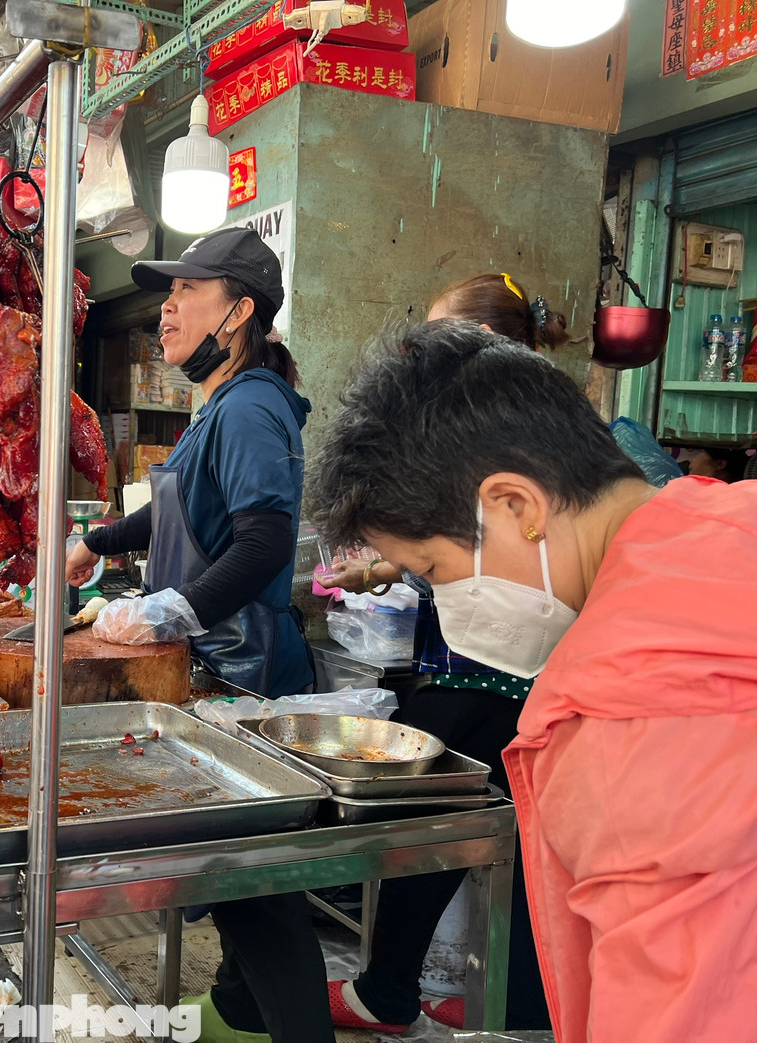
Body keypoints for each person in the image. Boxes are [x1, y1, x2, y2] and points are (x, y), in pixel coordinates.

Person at [306, 319, 757, 1043]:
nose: (444, 604)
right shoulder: (727, 518)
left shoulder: (623, 707)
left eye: (432, 571)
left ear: (515, 505)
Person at [64, 227, 329, 1043]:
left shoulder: (249, 405)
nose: (166, 307)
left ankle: (293, 1030)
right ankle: (241, 1015)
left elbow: (264, 543)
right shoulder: (222, 400)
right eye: (166, 292)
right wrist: (102, 540)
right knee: (249, 875)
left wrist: (168, 611)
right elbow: (179, 509)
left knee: (259, 888)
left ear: (239, 310)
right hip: (215, 668)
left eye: (187, 291)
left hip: (246, 675)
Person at [319, 273, 561, 1033]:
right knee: (514, 845)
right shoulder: (503, 429)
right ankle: (515, 999)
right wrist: (387, 565)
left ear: (486, 347)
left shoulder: (514, 440)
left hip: (485, 683)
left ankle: (388, 991)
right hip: (506, 684)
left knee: (431, 834)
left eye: (438, 342)